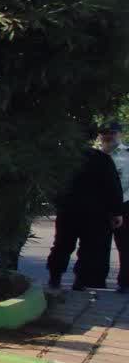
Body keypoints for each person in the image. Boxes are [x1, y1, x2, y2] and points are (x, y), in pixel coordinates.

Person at [48, 124, 124, 290]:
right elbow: (113, 187)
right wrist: (117, 212)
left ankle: (55, 276)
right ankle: (81, 280)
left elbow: (53, 183)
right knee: (89, 248)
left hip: (68, 209)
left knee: (62, 244)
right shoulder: (102, 159)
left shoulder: (64, 158)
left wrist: (58, 203)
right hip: (95, 212)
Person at [103, 123, 129, 293]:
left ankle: (125, 282)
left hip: (125, 205)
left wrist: (120, 205)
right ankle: (94, 279)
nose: (109, 136)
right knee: (97, 245)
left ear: (120, 133)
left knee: (125, 246)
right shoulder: (96, 155)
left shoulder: (127, 154)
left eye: (112, 132)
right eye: (105, 133)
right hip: (100, 207)